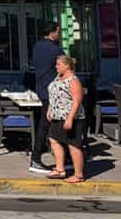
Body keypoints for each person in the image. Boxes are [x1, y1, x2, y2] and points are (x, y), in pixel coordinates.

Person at [45, 55, 86, 183]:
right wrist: (50, 109)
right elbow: (54, 95)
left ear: (67, 66)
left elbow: (77, 101)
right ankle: (59, 169)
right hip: (58, 116)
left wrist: (70, 118)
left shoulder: (73, 80)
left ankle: (78, 175)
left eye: (58, 64)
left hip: (71, 117)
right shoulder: (58, 77)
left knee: (73, 145)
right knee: (54, 139)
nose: (56, 67)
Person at [29, 21, 63, 174]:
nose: (59, 34)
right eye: (58, 31)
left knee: (49, 124)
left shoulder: (37, 46)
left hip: (41, 88)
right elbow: (64, 67)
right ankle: (36, 158)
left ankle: (61, 157)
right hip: (53, 92)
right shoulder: (55, 49)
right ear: (52, 32)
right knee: (47, 125)